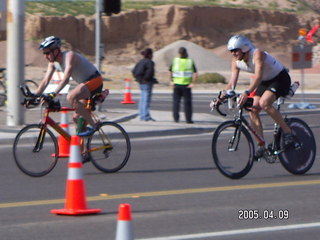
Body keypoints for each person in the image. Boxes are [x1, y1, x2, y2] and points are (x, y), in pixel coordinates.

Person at [215, 34, 295, 159]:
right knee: (253, 108)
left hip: (280, 78)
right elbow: (231, 83)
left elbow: (258, 76)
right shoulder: (235, 62)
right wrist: (220, 97)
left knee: (264, 103)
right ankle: (261, 145)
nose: (233, 54)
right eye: (231, 51)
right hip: (265, 81)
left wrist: (247, 92)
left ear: (245, 49)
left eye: (235, 50)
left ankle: (288, 132)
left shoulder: (257, 54)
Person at [35, 36, 103, 136]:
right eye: (44, 53)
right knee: (77, 120)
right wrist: (33, 97)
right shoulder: (53, 63)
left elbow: (66, 80)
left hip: (95, 81)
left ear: (56, 51)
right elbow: (45, 82)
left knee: (71, 96)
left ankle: (94, 125)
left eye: (47, 53)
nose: (45, 56)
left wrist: (53, 94)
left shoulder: (69, 57)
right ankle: (82, 151)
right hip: (85, 86)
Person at [169, 47, 197, 124]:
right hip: (186, 85)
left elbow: (170, 71)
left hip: (177, 84)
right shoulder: (190, 61)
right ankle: (188, 119)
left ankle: (176, 118)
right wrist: (193, 83)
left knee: (176, 102)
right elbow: (195, 73)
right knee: (187, 103)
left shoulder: (175, 60)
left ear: (179, 53)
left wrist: (171, 81)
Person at [132, 48, 157, 121]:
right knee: (146, 99)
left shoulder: (140, 62)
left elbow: (134, 71)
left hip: (141, 82)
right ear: (149, 55)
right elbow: (150, 72)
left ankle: (142, 114)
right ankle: (145, 116)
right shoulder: (150, 62)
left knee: (142, 99)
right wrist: (146, 79)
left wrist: (139, 79)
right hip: (147, 82)